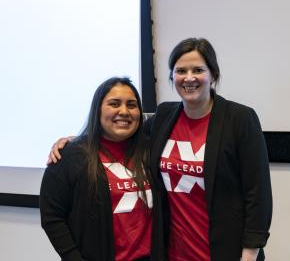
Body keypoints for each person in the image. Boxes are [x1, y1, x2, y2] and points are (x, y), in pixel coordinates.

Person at [48, 38, 272, 261]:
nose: (189, 77)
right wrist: (76, 141)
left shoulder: (239, 120)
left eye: (198, 70)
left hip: (224, 253)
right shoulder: (164, 117)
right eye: (181, 70)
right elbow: (123, 130)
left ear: (213, 75)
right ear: (172, 77)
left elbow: (258, 193)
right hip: (173, 254)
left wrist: (249, 255)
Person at [40, 77, 152, 261]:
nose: (124, 111)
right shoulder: (70, 155)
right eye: (114, 104)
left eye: (132, 105)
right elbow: (52, 217)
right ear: (97, 109)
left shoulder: (152, 150)